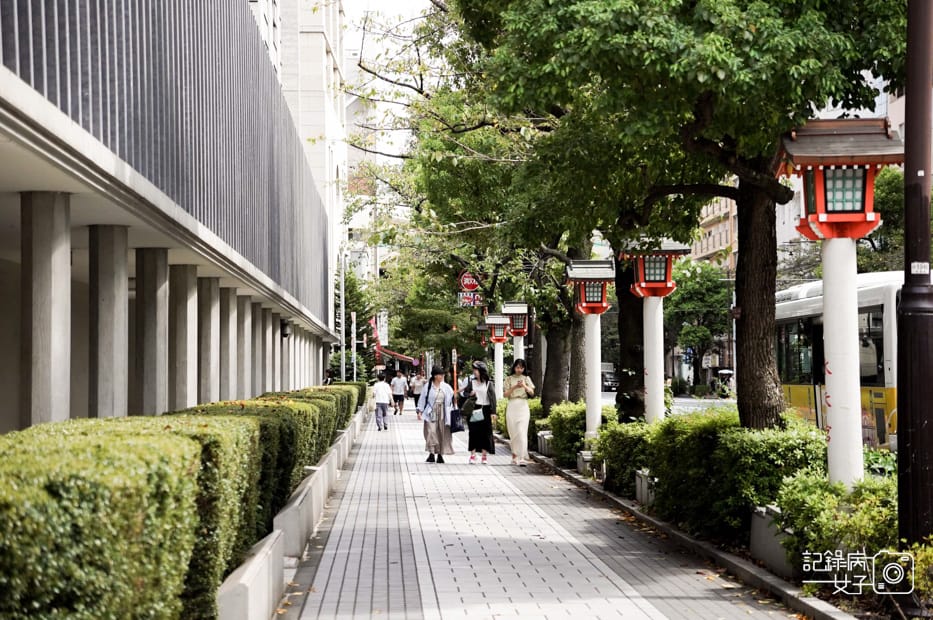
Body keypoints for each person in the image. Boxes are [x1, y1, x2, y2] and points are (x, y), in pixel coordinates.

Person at [416, 366, 455, 463]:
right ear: (434, 376)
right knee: (431, 432)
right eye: (439, 375)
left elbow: (452, 399)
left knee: (442, 432)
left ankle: (441, 454)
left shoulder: (446, 387)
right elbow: (422, 399)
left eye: (442, 375)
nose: (441, 376)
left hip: (443, 412)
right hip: (431, 411)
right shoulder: (428, 386)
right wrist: (419, 411)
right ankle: (432, 453)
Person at [503, 359, 535, 466]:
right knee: (513, 432)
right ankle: (514, 455)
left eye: (521, 367)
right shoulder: (509, 379)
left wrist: (524, 386)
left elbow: (532, 392)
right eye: (517, 367)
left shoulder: (526, 378)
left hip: (523, 405)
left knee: (522, 431)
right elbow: (505, 394)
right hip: (512, 405)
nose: (519, 369)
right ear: (514, 367)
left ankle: (522, 457)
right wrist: (515, 387)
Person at [466, 360, 497, 464]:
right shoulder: (472, 382)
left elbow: (493, 398)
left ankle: (484, 456)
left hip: (486, 409)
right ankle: (473, 455)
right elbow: (465, 394)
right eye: (474, 369)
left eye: (476, 369)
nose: (474, 371)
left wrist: (493, 412)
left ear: (481, 371)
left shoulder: (489, 383)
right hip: (475, 408)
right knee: (473, 432)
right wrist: (470, 394)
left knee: (486, 433)